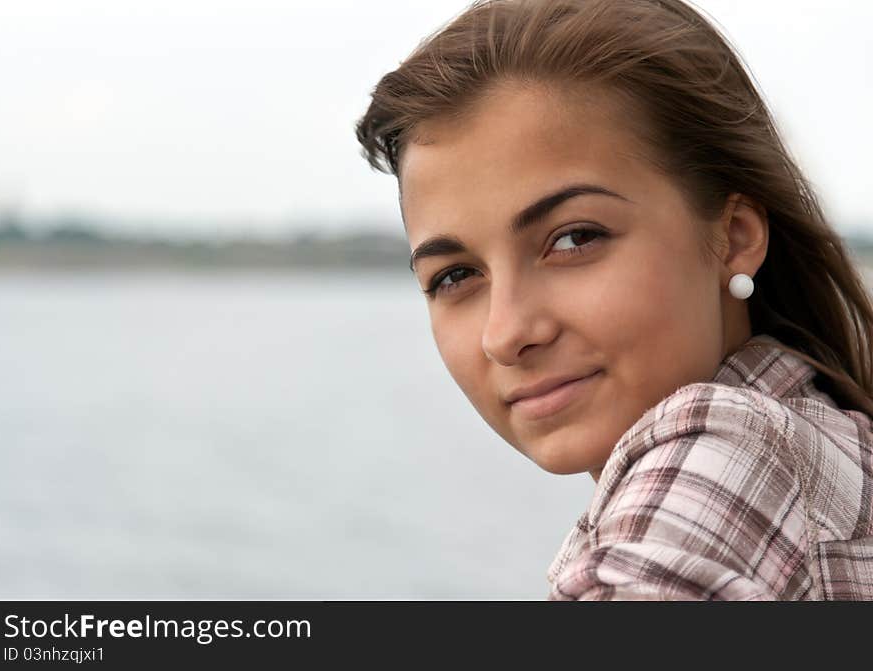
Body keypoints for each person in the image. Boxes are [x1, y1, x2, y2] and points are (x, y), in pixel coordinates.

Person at [354, 0, 873, 600]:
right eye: (455, 276)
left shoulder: (728, 457)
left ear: (734, 237)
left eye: (574, 239)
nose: (506, 333)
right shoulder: (825, 441)